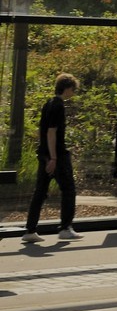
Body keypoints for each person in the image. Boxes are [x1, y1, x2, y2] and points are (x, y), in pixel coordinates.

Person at [23, 74, 80, 242]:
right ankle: (65, 227)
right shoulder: (58, 106)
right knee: (69, 190)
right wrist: (54, 158)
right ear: (68, 88)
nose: (73, 93)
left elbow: (44, 132)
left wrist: (46, 156)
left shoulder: (48, 103)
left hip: (44, 154)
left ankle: (30, 230)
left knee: (40, 192)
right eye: (73, 89)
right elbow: (51, 132)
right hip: (57, 156)